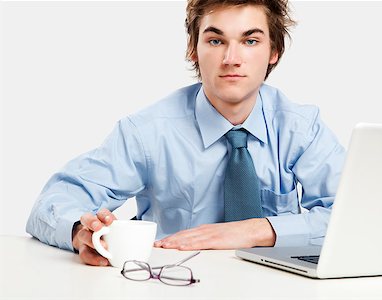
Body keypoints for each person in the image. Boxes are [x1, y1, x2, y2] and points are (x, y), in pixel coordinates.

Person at [26, 0, 346, 267]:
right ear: (193, 49)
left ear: (274, 51)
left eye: (250, 41)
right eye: (215, 40)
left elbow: (351, 216)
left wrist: (255, 231)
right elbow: (54, 202)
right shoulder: (148, 131)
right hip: (173, 285)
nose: (231, 59)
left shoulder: (301, 127)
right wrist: (80, 231)